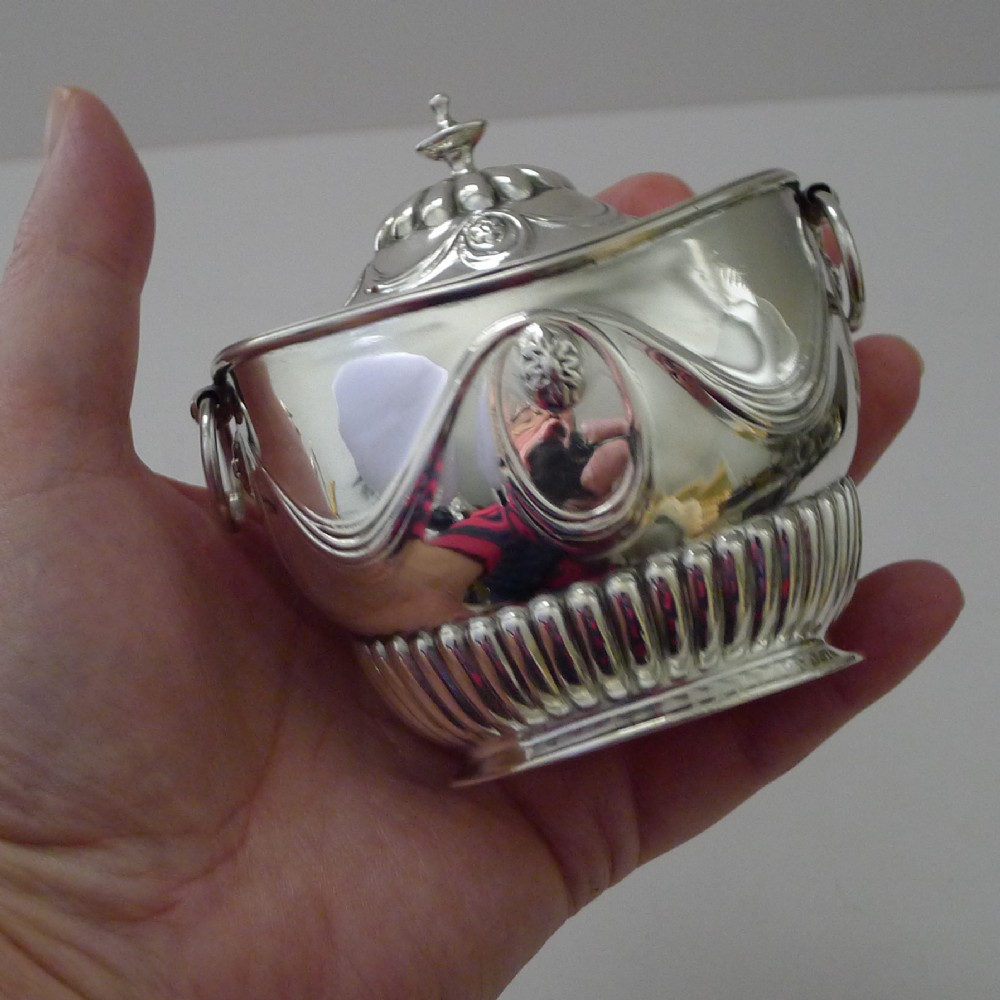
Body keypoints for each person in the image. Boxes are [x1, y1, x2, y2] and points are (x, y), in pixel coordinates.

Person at [0, 88, 962, 999]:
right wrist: (55, 922)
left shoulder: (561, 442)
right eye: (540, 383)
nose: (549, 387)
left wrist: (67, 943)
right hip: (526, 636)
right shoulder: (518, 469)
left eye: (554, 378)